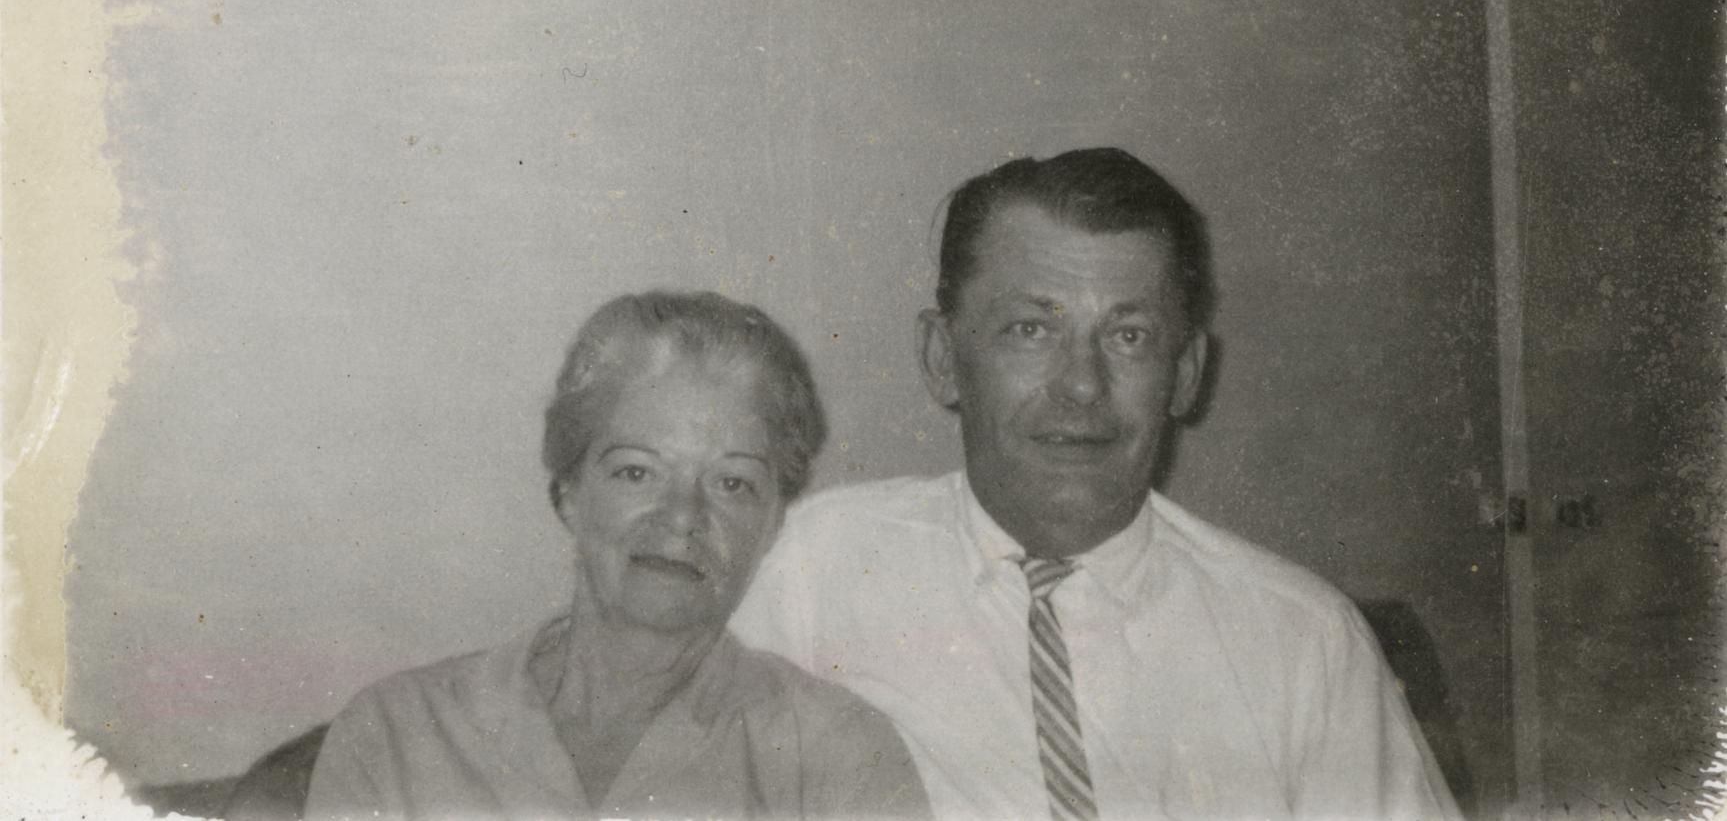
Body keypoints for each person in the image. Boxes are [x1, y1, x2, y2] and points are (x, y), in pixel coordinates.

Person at [732, 149, 1461, 820]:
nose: (1082, 385)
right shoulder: (800, 575)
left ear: (1183, 375)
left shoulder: (1304, 644)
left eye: (1128, 336)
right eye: (1030, 330)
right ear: (942, 358)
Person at [306, 291, 930, 821]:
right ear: (570, 491)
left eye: (732, 483)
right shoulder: (394, 736)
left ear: (771, 525)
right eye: (638, 472)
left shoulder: (839, 758)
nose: (683, 518)